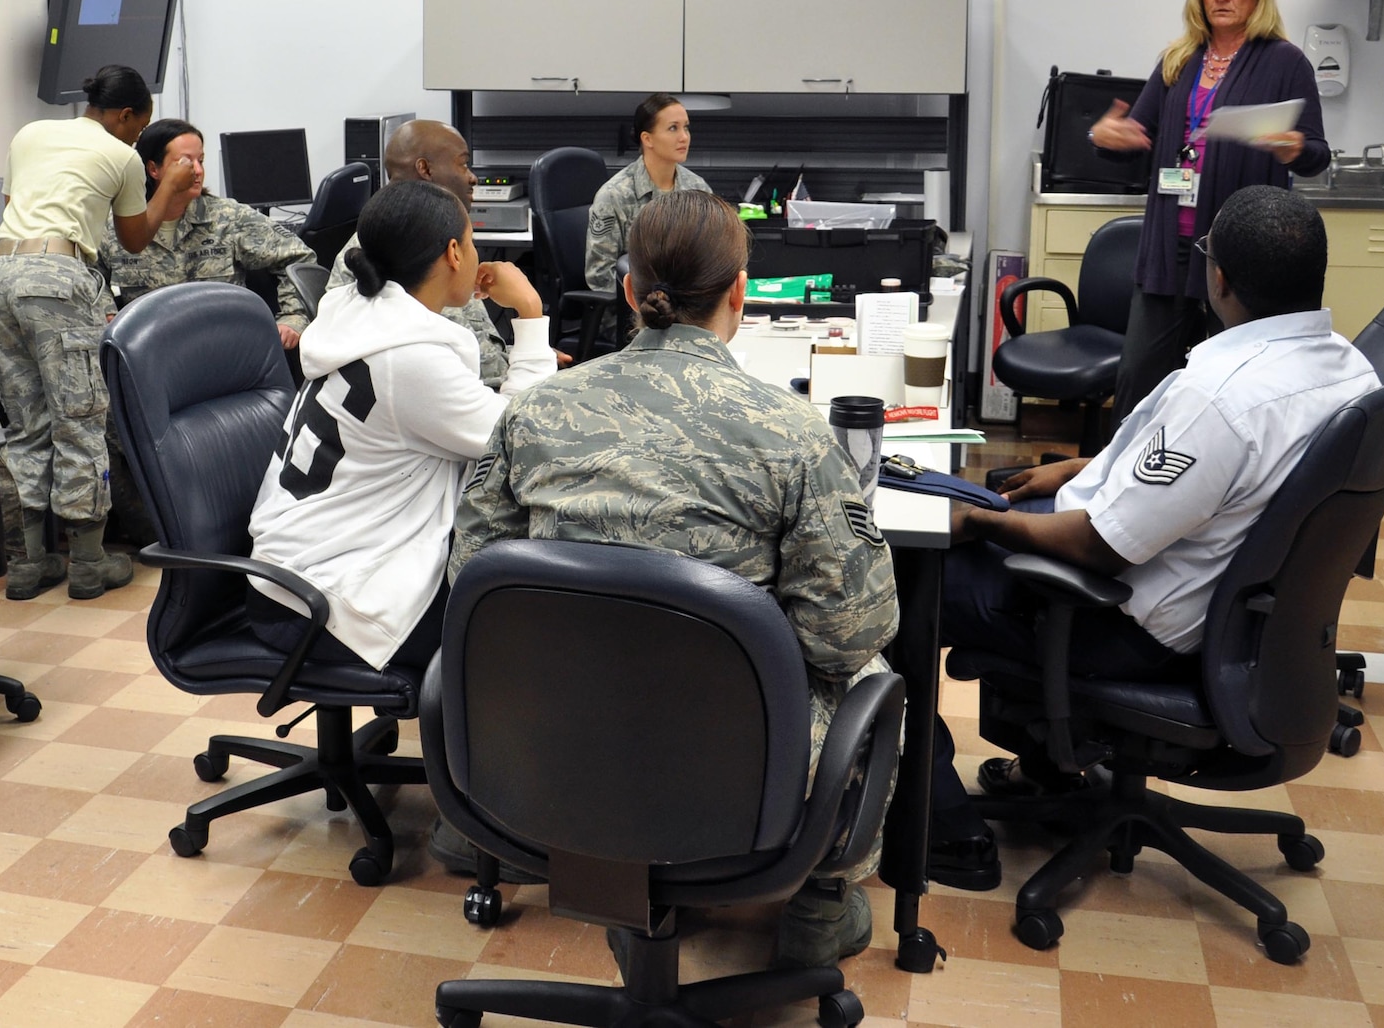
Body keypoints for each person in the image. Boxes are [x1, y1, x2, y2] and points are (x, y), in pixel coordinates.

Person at [452, 189, 898, 969]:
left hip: (543, 746)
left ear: (627, 290)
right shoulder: (790, 433)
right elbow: (845, 633)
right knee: (873, 671)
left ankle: (612, 862)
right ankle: (821, 903)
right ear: (741, 292)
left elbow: (474, 585)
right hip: (734, 768)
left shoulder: (535, 412)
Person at [926, 186, 1377, 888]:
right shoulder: (1350, 369)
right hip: (1236, 624)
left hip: (1122, 621)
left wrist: (985, 521)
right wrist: (1084, 468)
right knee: (976, 513)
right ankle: (1048, 767)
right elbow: (1217, 482)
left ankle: (945, 832)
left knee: (904, 577)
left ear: (1218, 276)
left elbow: (1103, 546)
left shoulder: (1221, 395)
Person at [247, 179, 554, 676]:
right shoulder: (408, 360)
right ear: (454, 253)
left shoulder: (358, 314)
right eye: (473, 241)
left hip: (298, 569)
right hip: (327, 604)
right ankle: (465, 750)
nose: (478, 255)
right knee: (522, 615)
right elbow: (526, 437)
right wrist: (532, 314)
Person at [1088, 0, 1329, 426]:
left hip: (1240, 255)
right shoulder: (1178, 59)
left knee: (1231, 387)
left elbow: (1317, 156)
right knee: (1139, 379)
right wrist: (1105, 137)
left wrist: (1293, 148)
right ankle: (1112, 489)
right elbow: (1137, 138)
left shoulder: (1285, 63)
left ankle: (1216, 489)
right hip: (1169, 249)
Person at [0, 64, 195, 602]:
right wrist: (167, 190)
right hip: (56, 277)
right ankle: (90, 563)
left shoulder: (29, 133)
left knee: (27, 421)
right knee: (79, 420)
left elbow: (15, 211)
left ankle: (30, 564)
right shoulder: (121, 155)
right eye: (139, 127)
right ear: (125, 116)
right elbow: (136, 238)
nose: (137, 137)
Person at [327, 120, 514, 386]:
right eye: (462, 164)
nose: (472, 177)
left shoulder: (437, 232)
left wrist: (517, 358)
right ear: (425, 169)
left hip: (490, 385)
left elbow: (475, 345)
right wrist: (529, 318)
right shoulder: (388, 248)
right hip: (462, 399)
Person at [99, 118, 314, 348]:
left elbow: (299, 257)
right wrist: (107, 311)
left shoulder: (228, 218)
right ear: (153, 169)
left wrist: (293, 318)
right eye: (185, 162)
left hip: (226, 348)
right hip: (153, 354)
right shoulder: (120, 227)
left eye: (200, 160)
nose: (198, 171)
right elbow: (91, 275)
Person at [584, 92, 712, 294]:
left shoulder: (698, 189)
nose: (684, 137)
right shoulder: (614, 195)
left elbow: (711, 257)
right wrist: (649, 305)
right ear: (647, 139)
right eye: (673, 128)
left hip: (689, 309)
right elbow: (600, 276)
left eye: (686, 127)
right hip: (633, 313)